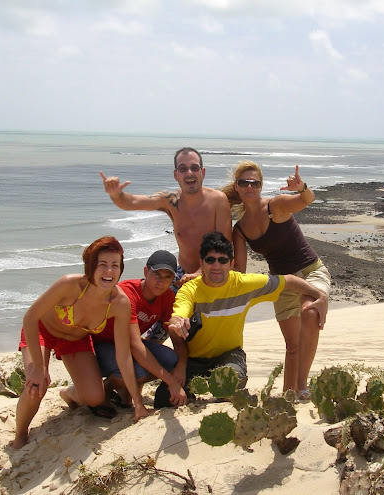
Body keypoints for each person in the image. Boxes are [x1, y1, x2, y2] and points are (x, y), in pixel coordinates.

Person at [13, 236, 143, 449]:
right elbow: (30, 317)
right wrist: (38, 367)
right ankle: (20, 433)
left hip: (75, 340)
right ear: (91, 266)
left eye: (115, 265)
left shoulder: (119, 303)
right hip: (42, 332)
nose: (109, 271)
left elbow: (123, 355)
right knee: (37, 385)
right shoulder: (69, 285)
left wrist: (138, 403)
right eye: (103, 265)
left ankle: (67, 393)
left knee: (94, 397)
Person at [165, 231, 327, 401]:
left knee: (231, 382)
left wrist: (319, 295)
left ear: (231, 263)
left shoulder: (244, 284)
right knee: (165, 398)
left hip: (229, 354)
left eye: (223, 260)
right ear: (201, 264)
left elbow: (290, 281)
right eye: (210, 260)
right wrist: (177, 322)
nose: (216, 266)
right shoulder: (190, 289)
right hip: (195, 358)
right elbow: (178, 314)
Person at [221, 161, 331, 398]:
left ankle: (302, 386)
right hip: (283, 283)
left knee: (310, 314)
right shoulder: (239, 229)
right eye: (244, 183)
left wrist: (301, 187)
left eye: (255, 183)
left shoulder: (276, 205)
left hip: (310, 271)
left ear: (261, 186)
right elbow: (239, 268)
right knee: (292, 346)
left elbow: (306, 200)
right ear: (237, 188)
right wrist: (207, 276)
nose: (249, 187)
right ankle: (288, 398)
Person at [99, 147, 232, 286]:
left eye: (194, 167)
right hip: (184, 276)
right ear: (175, 175)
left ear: (202, 172)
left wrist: (199, 273)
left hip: (214, 274)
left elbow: (226, 245)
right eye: (183, 169)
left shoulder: (218, 200)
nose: (189, 173)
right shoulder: (170, 201)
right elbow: (131, 202)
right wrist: (115, 194)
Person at [91, 250, 188, 416]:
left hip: (127, 345)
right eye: (157, 274)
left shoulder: (166, 297)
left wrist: (181, 365)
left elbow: (176, 338)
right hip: (101, 344)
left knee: (171, 359)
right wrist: (171, 381)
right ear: (145, 271)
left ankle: (122, 390)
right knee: (139, 371)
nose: (161, 282)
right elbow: (135, 345)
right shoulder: (127, 293)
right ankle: (105, 389)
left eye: (167, 277)